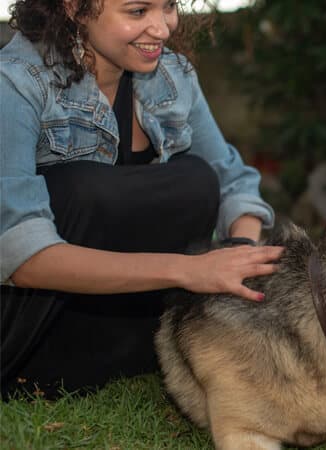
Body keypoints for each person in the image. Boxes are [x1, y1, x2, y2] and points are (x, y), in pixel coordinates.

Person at [0, 0, 283, 399]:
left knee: (198, 178)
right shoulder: (15, 81)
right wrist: (188, 271)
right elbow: (22, 255)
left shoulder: (173, 74)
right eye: (138, 12)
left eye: (168, 6)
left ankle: (150, 347)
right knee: (83, 189)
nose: (162, 28)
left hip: (149, 334)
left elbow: (231, 179)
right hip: (34, 335)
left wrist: (241, 249)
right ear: (74, 8)